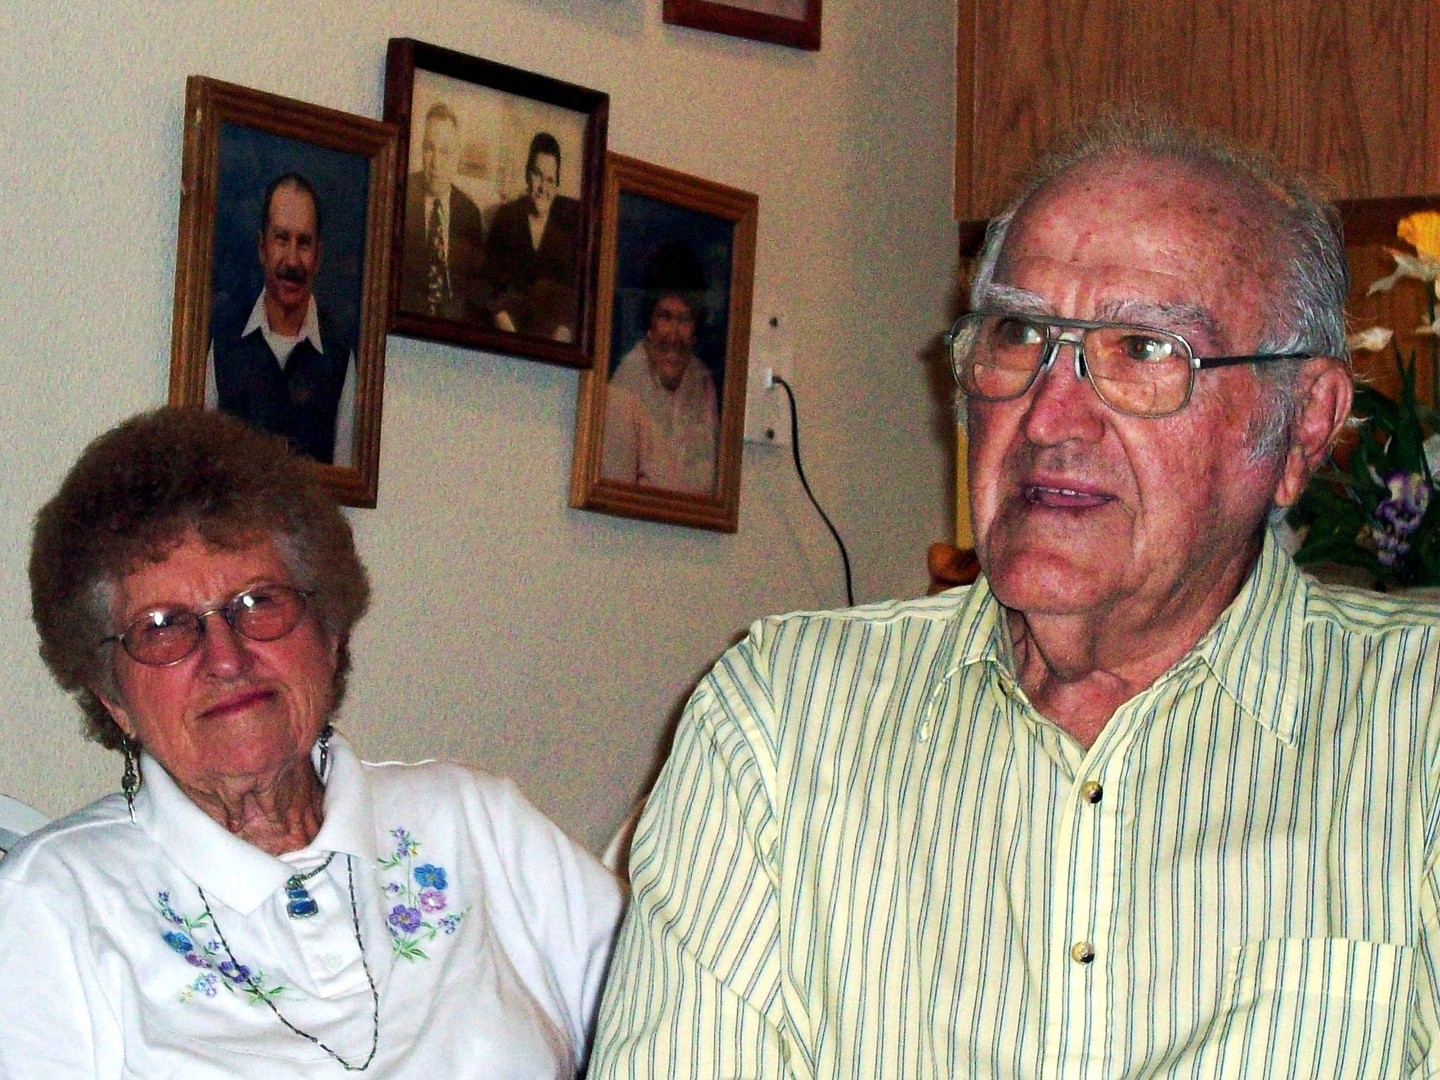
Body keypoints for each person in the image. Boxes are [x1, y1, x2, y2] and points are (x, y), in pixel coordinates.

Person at [591, 116, 1440, 1077]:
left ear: (1304, 424)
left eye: (1144, 349)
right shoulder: (780, 719)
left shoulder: (1417, 728)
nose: (1047, 414)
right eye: (1019, 334)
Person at [1, 407, 622, 1077]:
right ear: (113, 698)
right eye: (163, 626)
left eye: (258, 602)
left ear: (329, 634)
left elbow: (681, 1012)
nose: (226, 658)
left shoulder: (478, 824)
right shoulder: (52, 904)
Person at [208, 172, 356, 465]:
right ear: (262, 248)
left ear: (318, 256)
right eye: (281, 239)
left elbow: (345, 479)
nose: (292, 260)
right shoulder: (223, 343)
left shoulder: (340, 357)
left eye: (304, 243)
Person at [600, 241, 719, 494]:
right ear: (649, 322)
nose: (673, 334)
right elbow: (615, 499)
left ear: (696, 327)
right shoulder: (624, 389)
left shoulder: (703, 382)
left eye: (685, 319)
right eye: (665, 316)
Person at [482, 131, 580, 341]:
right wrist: (502, 320)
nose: (543, 187)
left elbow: (577, 294)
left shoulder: (569, 226)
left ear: (557, 184)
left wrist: (565, 332)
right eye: (537, 174)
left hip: (552, 341)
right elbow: (486, 283)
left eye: (550, 180)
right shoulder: (506, 217)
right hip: (506, 333)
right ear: (527, 174)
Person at [398, 102, 486, 321]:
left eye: (445, 152)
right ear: (421, 150)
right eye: (429, 148)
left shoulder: (469, 214)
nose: (436, 162)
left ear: (456, 157)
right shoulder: (401, 196)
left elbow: (476, 289)